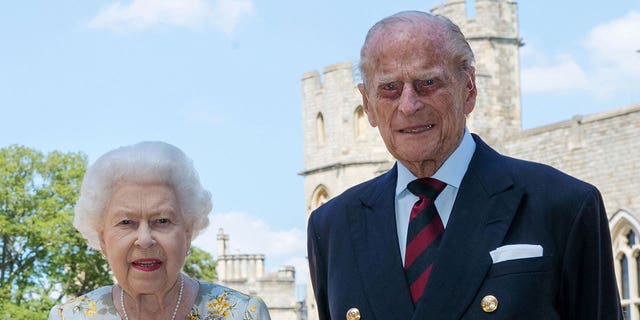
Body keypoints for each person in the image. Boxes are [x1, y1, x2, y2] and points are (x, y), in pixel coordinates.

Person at [306, 11, 622, 320]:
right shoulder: (333, 227)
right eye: (389, 88)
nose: (409, 105)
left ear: (468, 88)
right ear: (367, 105)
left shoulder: (563, 205)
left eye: (427, 82)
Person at [49, 141, 271, 320]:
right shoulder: (68, 317)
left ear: (187, 234)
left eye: (162, 220)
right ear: (103, 240)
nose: (144, 240)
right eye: (126, 222)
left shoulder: (243, 314)